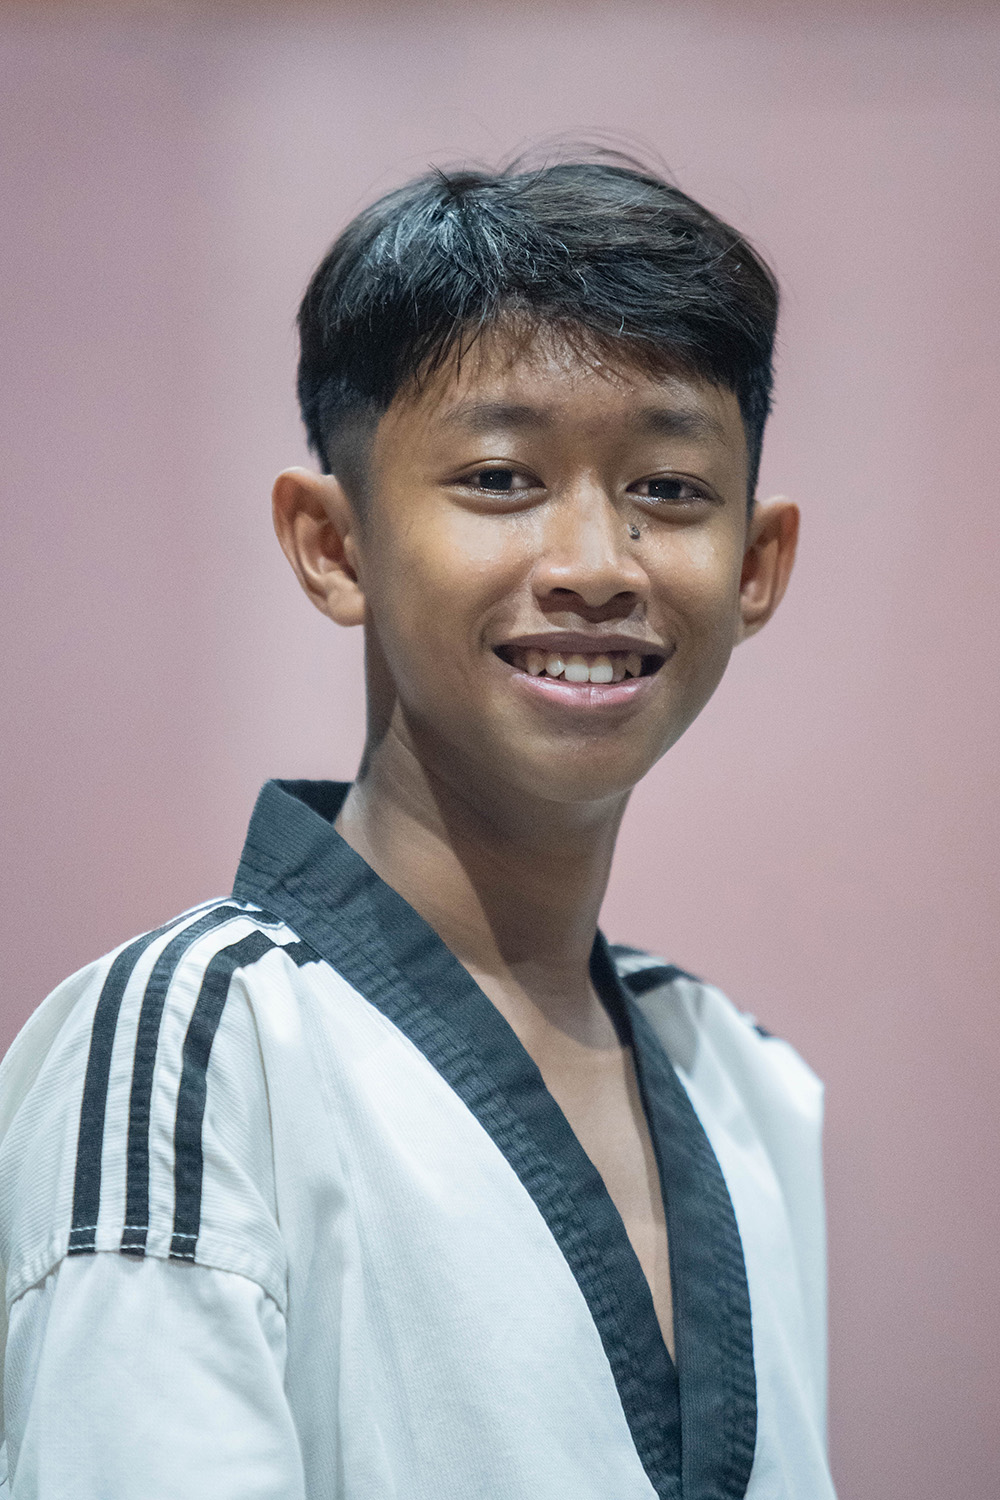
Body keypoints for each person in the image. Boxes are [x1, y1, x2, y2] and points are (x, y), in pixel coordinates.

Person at [0, 154, 834, 1499]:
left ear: (757, 564)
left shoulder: (743, 1081)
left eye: (670, 489)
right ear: (333, 544)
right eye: (500, 477)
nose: (595, 566)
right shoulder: (197, 1046)